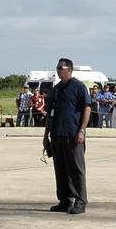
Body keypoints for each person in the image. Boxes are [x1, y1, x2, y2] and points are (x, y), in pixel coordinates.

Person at [43, 57, 90, 215]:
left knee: (76, 169)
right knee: (60, 169)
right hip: (57, 135)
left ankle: (81, 200)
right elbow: (50, 113)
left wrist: (82, 130)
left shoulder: (79, 87)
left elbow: (87, 108)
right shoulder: (56, 89)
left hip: (73, 134)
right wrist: (46, 136)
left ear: (69, 70)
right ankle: (65, 200)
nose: (58, 69)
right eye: (57, 67)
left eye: (60, 67)